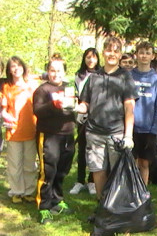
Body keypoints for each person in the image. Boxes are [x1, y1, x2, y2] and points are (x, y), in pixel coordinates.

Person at [76, 37, 138, 202]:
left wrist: (128, 136)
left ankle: (117, 208)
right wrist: (72, 107)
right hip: (94, 133)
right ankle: (102, 206)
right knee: (98, 170)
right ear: (103, 52)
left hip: (116, 134)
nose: (112, 54)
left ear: (120, 55)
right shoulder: (94, 77)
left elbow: (129, 107)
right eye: (109, 50)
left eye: (116, 51)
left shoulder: (125, 77)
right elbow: (84, 105)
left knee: (118, 173)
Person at [33, 57, 76, 224]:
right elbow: (37, 111)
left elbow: (73, 107)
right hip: (49, 135)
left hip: (67, 134)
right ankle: (43, 207)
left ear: (64, 71)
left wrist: (79, 107)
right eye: (52, 70)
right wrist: (53, 104)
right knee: (48, 171)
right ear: (48, 71)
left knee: (62, 170)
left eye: (59, 70)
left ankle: (57, 200)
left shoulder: (69, 87)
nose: (56, 73)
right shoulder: (42, 90)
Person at [1, 56, 38, 204]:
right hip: (14, 131)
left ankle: (29, 191)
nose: (16, 69)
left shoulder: (32, 85)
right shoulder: (6, 87)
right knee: (14, 165)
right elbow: (4, 110)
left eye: (18, 65)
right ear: (9, 70)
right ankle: (16, 191)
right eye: (12, 66)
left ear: (23, 67)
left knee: (29, 164)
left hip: (31, 129)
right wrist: (5, 116)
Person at [131, 41, 157, 185]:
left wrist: (154, 131)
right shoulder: (128, 76)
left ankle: (143, 192)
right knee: (130, 163)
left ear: (153, 56)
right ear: (136, 55)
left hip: (148, 129)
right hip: (130, 127)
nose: (144, 56)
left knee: (144, 164)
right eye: (141, 53)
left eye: (147, 53)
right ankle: (129, 192)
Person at [69, 48, 101, 195]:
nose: (91, 60)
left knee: (93, 150)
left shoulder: (101, 75)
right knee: (82, 149)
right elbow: (75, 95)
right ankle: (79, 180)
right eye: (88, 57)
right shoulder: (78, 75)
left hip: (96, 118)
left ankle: (92, 181)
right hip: (81, 117)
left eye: (93, 58)